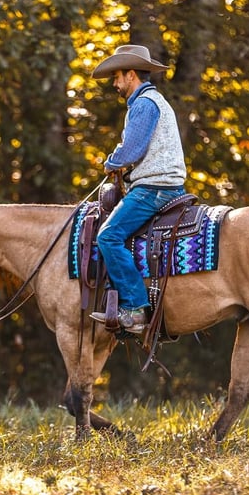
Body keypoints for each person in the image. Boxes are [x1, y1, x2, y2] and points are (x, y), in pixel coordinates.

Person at [88, 45, 187, 333]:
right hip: (162, 185)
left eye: (117, 77)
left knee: (108, 236)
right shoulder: (150, 102)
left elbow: (131, 149)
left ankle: (134, 308)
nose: (115, 84)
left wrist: (111, 162)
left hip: (154, 187)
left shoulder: (144, 103)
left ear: (131, 75)